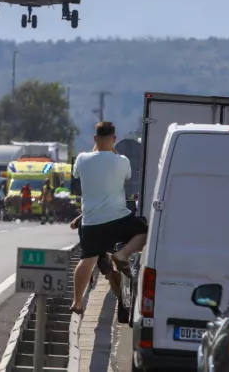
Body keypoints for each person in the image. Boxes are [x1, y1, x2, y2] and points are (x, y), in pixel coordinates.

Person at [70, 121, 147, 315]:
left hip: (92, 222)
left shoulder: (82, 159)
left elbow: (78, 172)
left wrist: (97, 148)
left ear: (95, 139)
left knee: (87, 260)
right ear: (114, 139)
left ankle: (77, 303)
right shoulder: (122, 161)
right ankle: (122, 254)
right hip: (118, 219)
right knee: (145, 231)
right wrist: (111, 150)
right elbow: (128, 176)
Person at [71, 214, 122, 300]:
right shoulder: (104, 214)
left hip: (89, 251)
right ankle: (121, 300)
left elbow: (72, 225)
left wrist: (81, 215)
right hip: (103, 250)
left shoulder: (85, 216)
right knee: (111, 275)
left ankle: (79, 300)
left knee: (87, 267)